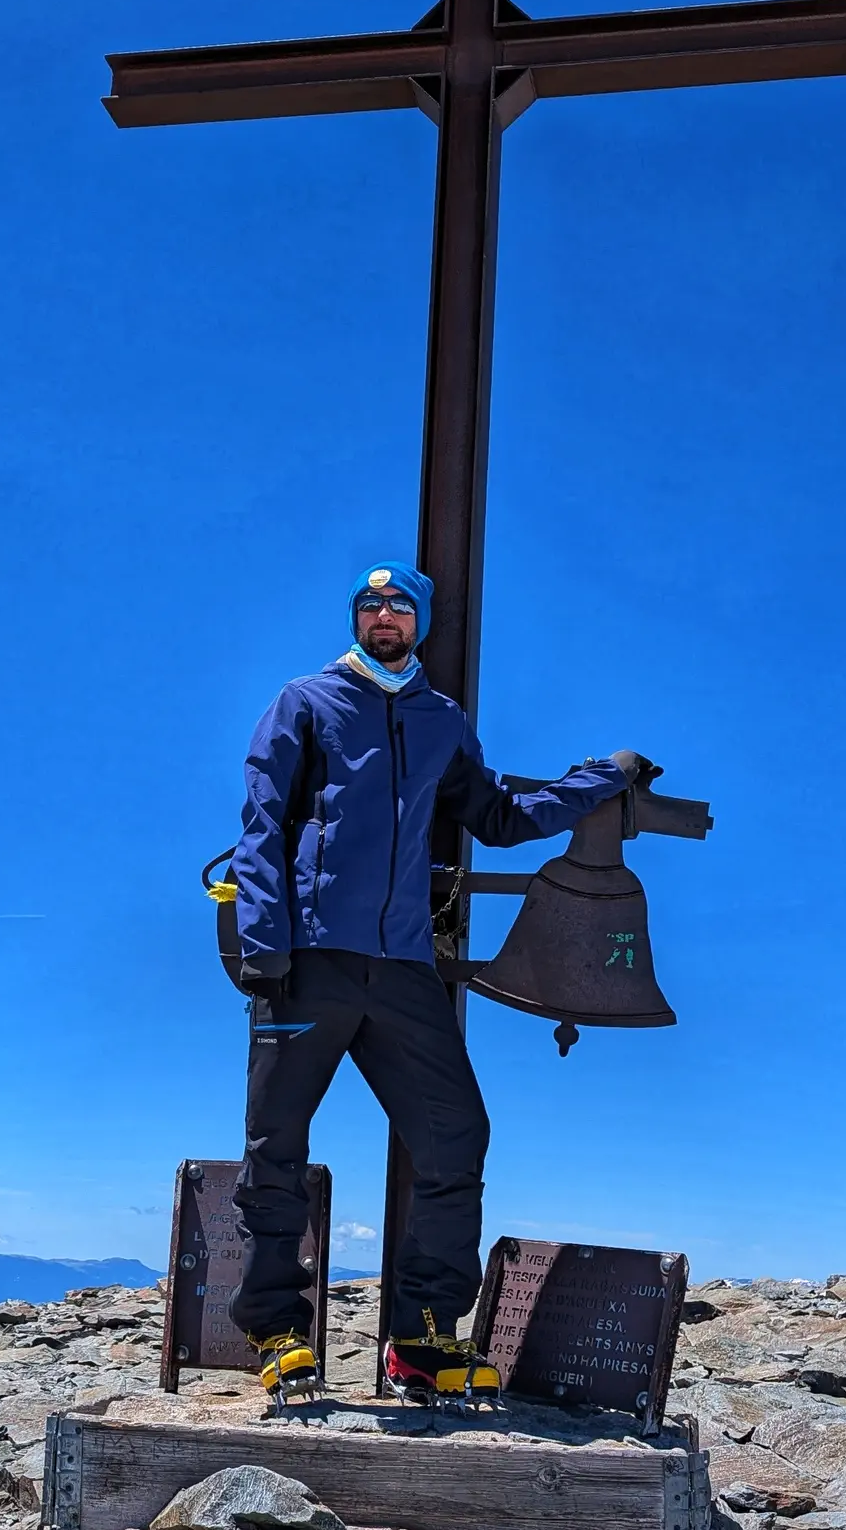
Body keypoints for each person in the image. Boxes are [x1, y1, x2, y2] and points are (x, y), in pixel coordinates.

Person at [228, 559, 654, 1404]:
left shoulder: (439, 720)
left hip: (402, 969)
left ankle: (422, 1337)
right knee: (276, 1146)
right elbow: (262, 818)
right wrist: (263, 939)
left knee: (456, 1135)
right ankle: (277, 1329)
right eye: (367, 603)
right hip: (306, 960)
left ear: (421, 621)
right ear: (354, 617)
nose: (382, 614)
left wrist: (605, 776)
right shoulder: (306, 702)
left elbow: (497, 818)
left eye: (398, 605)